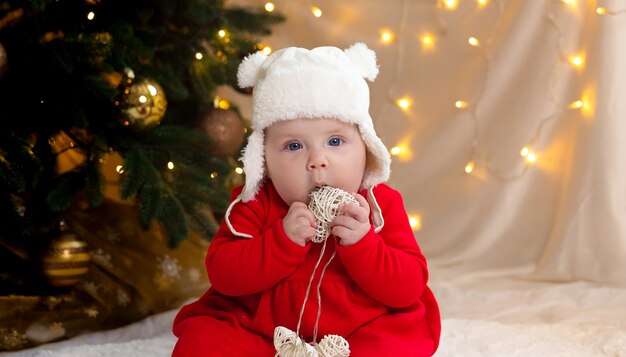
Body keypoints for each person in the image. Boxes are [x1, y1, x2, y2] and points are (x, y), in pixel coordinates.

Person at [172, 43, 441, 356]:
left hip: (357, 330)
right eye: (294, 146)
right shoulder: (255, 202)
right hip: (262, 329)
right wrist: (281, 241)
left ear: (365, 149)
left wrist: (364, 245)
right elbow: (223, 275)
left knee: (396, 340)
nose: (317, 160)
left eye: (336, 141)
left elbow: (408, 287)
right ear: (264, 160)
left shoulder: (380, 205)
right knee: (203, 340)